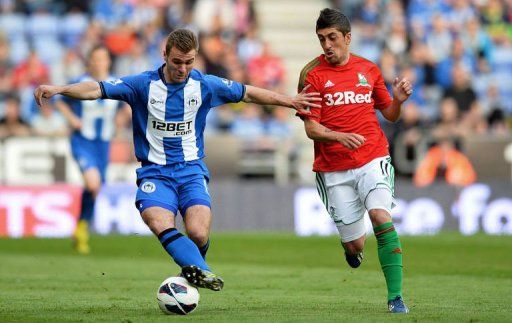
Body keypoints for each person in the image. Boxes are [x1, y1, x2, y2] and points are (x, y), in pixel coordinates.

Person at [34, 28, 320, 291]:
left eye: (189, 62)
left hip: (192, 171)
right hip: (154, 172)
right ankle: (203, 272)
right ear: (165, 55)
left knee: (198, 231)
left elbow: (247, 93)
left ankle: (193, 269)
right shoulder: (141, 85)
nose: (183, 69)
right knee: (157, 220)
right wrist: (61, 89)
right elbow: (96, 89)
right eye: (177, 62)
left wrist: (289, 100)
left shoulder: (205, 85)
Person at [296, 9, 413, 313]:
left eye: (332, 38)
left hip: (373, 156)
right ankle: (351, 250)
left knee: (380, 217)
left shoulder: (369, 70)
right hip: (334, 168)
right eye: (321, 39)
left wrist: (398, 100)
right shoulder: (312, 75)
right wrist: (339, 136)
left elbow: (388, 114)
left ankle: (395, 298)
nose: (327, 45)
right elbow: (311, 129)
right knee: (355, 245)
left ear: (348, 38)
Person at [54, 45, 129, 254]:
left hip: (103, 143)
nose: (98, 63)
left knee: (96, 189)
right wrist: (72, 119)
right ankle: (82, 226)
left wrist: (121, 119)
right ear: (89, 61)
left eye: (102, 59)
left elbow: (128, 106)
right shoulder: (81, 82)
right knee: (93, 183)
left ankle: (81, 226)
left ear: (108, 62)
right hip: (82, 141)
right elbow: (60, 101)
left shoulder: (115, 83)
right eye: (95, 59)